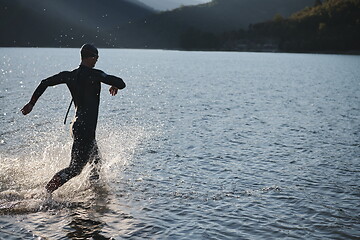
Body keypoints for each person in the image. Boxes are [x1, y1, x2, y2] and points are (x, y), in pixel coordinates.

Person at [21, 44, 126, 193]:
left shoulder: (70, 75)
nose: (97, 60)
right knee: (75, 169)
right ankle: (45, 193)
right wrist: (114, 84)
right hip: (86, 128)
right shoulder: (96, 74)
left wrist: (31, 103)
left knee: (96, 162)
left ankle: (93, 194)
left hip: (76, 126)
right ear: (91, 57)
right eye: (96, 57)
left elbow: (45, 82)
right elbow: (122, 83)